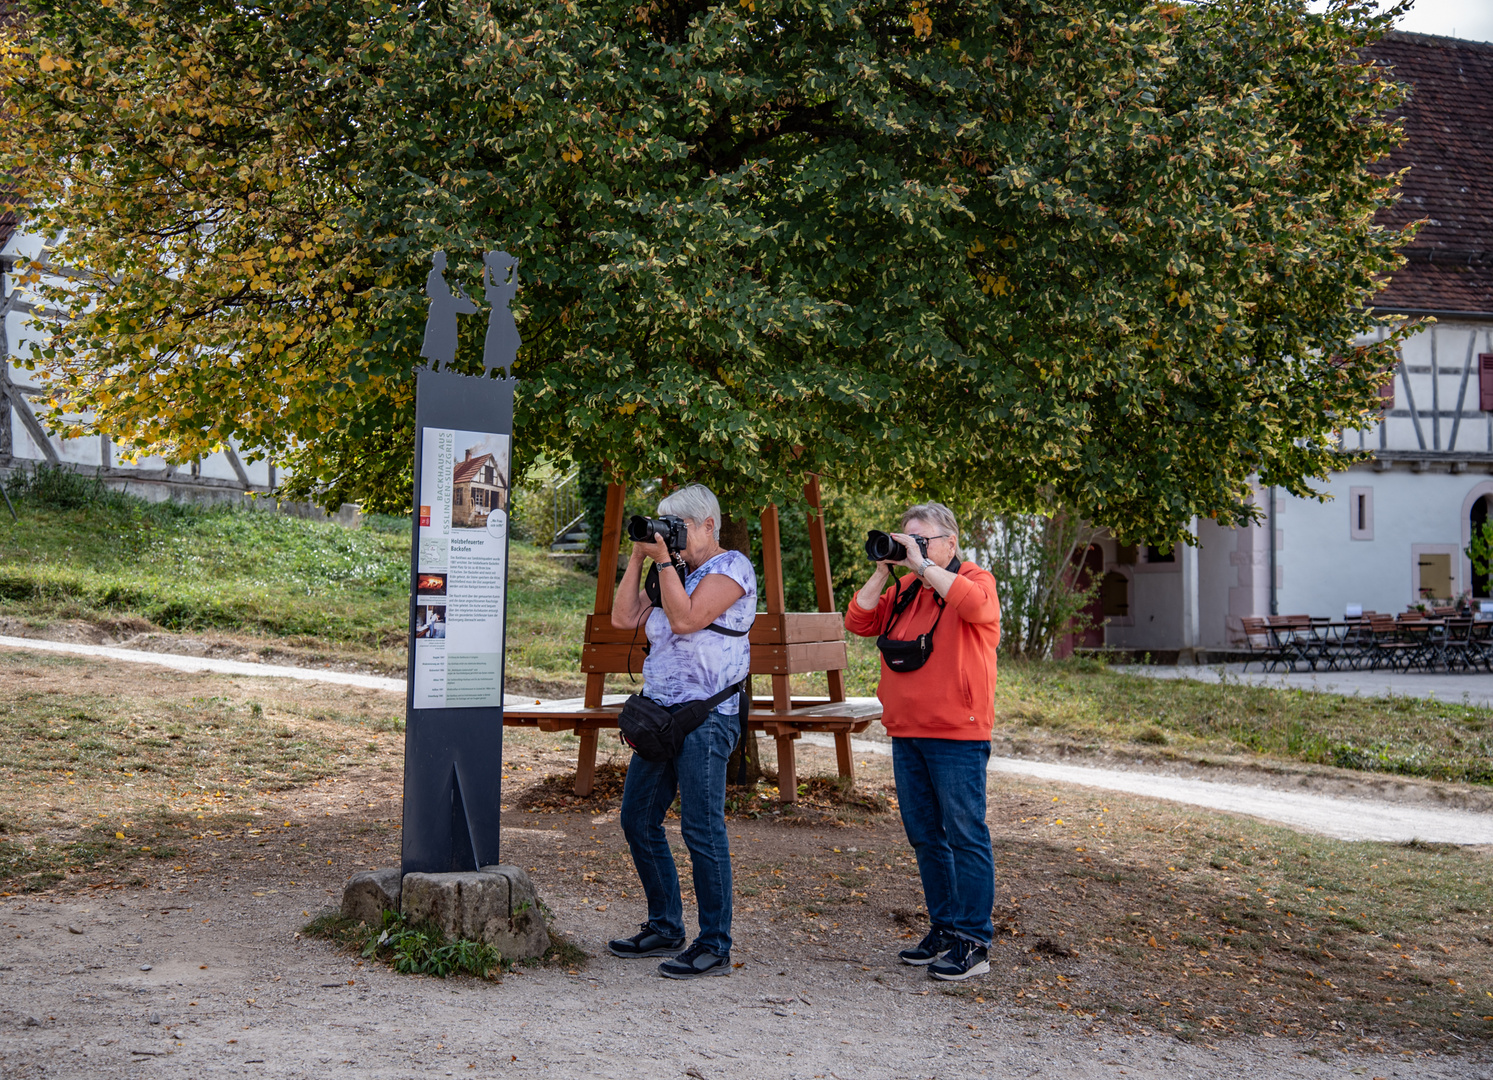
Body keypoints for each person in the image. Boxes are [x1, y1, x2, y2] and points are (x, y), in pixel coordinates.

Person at [844, 502, 1001, 981]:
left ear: (950, 543)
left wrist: (925, 565)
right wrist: (884, 571)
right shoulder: (907, 588)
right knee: (926, 837)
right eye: (907, 538)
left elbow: (975, 608)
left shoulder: (975, 579)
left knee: (965, 835)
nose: (913, 546)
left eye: (923, 539)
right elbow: (859, 621)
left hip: (956, 733)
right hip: (907, 730)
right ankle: (945, 928)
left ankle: (974, 941)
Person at [606, 483, 756, 979]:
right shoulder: (669, 570)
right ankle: (666, 924)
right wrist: (638, 555)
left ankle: (714, 943)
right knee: (637, 820)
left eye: (680, 528)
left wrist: (666, 562)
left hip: (708, 718)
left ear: (708, 526)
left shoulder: (730, 567)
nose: (671, 536)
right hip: (660, 716)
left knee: (700, 828)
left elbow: (689, 619)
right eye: (665, 526)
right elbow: (623, 617)